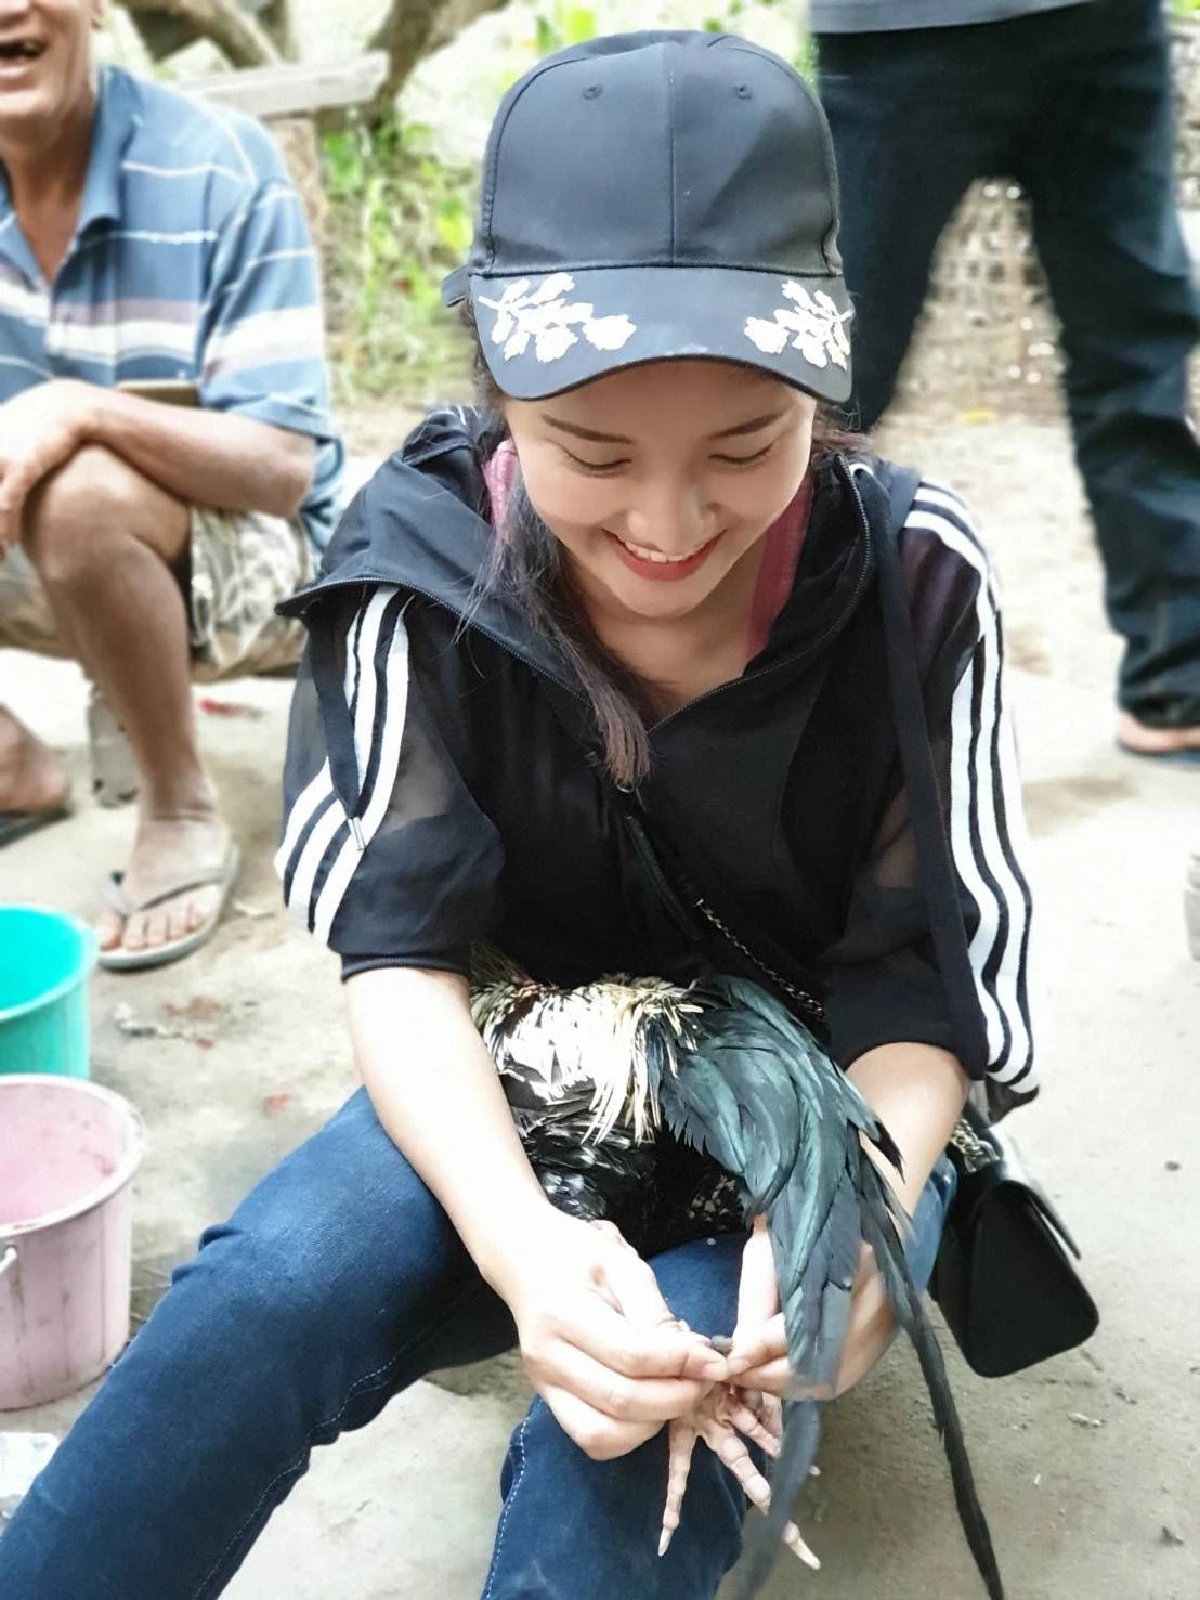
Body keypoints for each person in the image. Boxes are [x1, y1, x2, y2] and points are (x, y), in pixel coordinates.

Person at [0, 31, 1035, 1600]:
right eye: (593, 452)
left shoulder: (913, 581)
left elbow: (916, 992)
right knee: (270, 1292)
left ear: (827, 384)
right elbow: (405, 958)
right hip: (531, 1068)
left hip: (818, 1098)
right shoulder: (417, 568)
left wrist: (847, 1233)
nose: (668, 526)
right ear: (496, 391)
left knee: (620, 1462)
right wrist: (521, 1245)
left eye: (749, 447)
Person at [0, 0, 343, 966]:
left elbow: (283, 468)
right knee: (62, 494)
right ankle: (11, 763)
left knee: (83, 493)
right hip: (39, 563)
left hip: (258, 571)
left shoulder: (214, 164)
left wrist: (81, 407)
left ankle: (180, 805)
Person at [813, 0, 1200, 765]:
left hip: (1096, 24)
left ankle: (1178, 680)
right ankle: (759, 659)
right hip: (906, 30)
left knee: (1135, 350)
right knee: (837, 372)